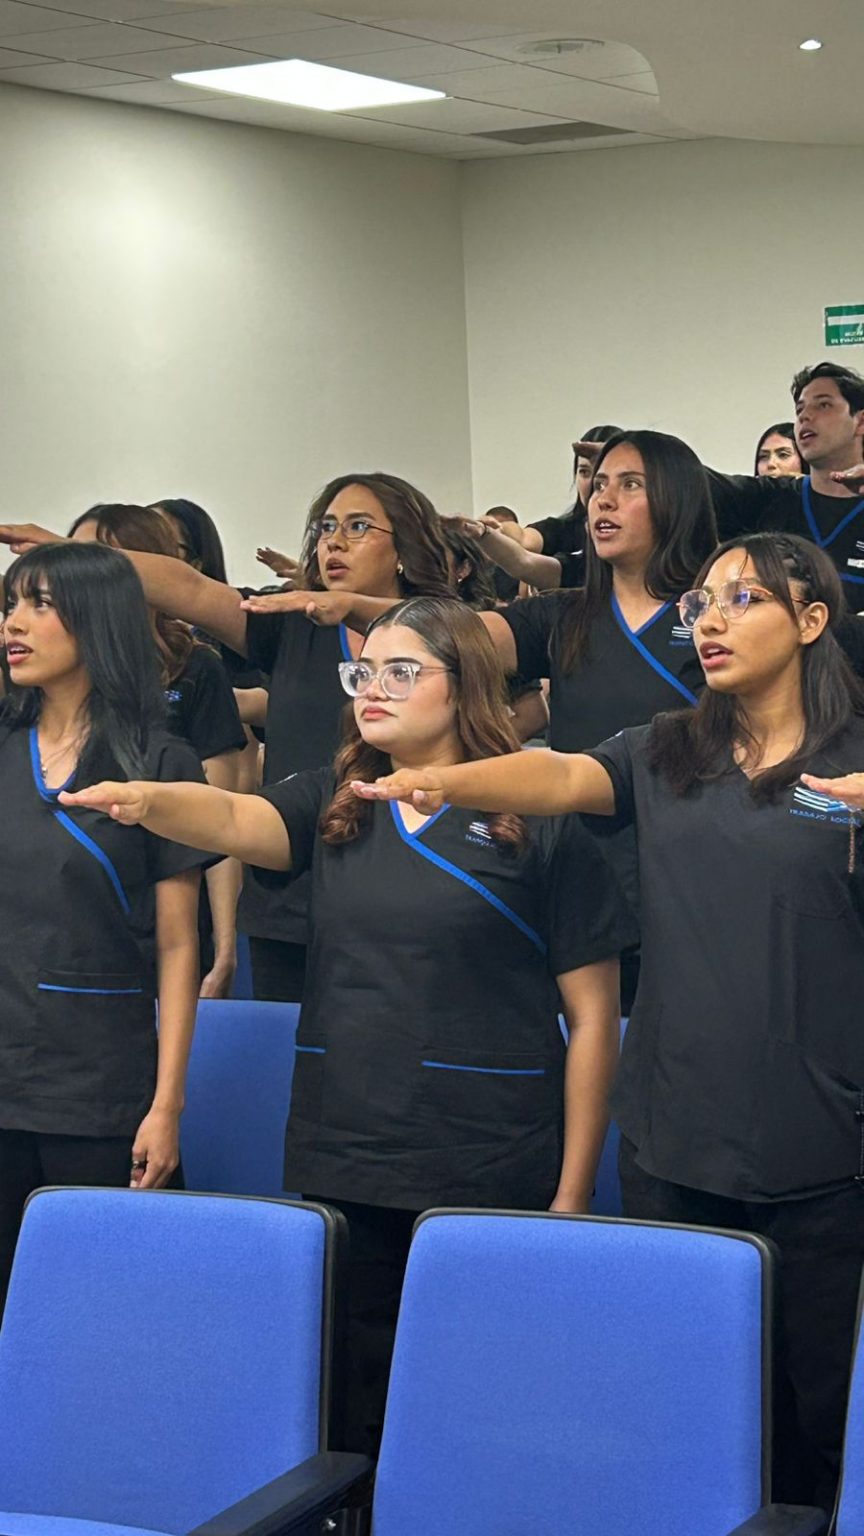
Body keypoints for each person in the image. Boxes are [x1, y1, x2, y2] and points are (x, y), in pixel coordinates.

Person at [352, 533, 864, 1514]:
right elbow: (555, 779)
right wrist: (448, 781)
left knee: (824, 1421)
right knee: (692, 1412)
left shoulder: (855, 762)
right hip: (675, 1138)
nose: (709, 621)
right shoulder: (666, 749)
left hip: (821, 1152)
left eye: (743, 598)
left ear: (811, 620)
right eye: (700, 603)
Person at [62, 594, 633, 1455]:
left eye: (402, 671)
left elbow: (593, 1022)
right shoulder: (338, 799)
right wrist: (149, 801)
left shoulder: (537, 821)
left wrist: (573, 1195)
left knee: (474, 1406)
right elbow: (235, 819)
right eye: (363, 672)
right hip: (348, 1147)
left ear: (466, 684)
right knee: (351, 1404)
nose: (374, 689)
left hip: (486, 1158)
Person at [0, 473, 453, 1003]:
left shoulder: (451, 636)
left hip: (413, 885)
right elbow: (190, 589)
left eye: (357, 527)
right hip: (293, 887)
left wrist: (355, 605)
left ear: (403, 548)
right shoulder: (292, 621)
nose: (334, 542)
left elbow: (471, 645)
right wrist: (72, 559)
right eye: (326, 527)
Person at [0, 542, 212, 1302]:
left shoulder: (161, 763)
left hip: (98, 1090)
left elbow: (180, 946)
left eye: (39, 605)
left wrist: (166, 1106)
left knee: (101, 1308)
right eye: (9, 605)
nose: (12, 624)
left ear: (98, 621)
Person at [71, 504, 247, 999]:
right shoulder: (61, 671)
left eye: (100, 561)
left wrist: (227, 946)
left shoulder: (196, 668)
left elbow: (221, 819)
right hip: (79, 896)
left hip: (170, 899)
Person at [489, 424, 622, 588]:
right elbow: (525, 538)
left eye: (603, 472)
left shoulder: (642, 529)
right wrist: (498, 530)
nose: (594, 482)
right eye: (584, 472)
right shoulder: (565, 529)